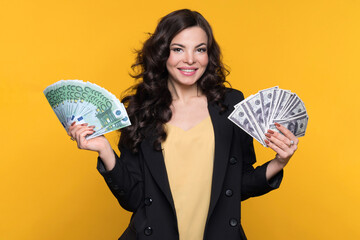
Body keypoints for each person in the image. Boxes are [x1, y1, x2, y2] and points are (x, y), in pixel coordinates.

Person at [68, 9, 299, 240]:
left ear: (209, 55)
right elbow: (134, 199)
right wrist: (105, 151)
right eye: (178, 49)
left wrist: (280, 161)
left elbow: (238, 185)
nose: (190, 59)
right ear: (161, 53)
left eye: (200, 49)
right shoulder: (139, 109)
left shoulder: (231, 104)